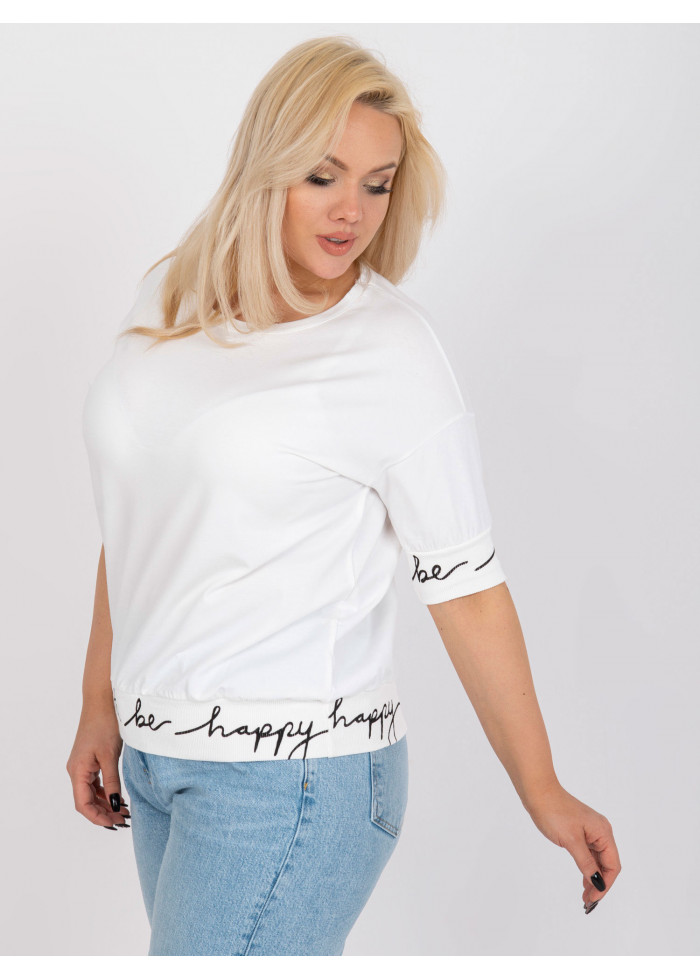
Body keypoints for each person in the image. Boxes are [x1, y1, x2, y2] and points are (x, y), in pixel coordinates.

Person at [66, 34, 621, 956]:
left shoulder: (392, 352)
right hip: (161, 763)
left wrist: (542, 788)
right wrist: (102, 704)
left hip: (294, 781)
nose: (351, 211)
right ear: (265, 166)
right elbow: (137, 522)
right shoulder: (170, 297)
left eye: (378, 183)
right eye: (323, 176)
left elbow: (468, 591)